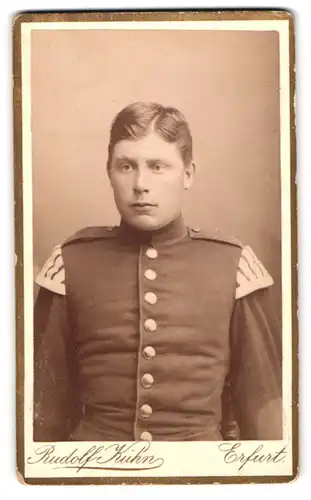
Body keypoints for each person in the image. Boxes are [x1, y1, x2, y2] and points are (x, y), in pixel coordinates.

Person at [33, 101, 282, 442]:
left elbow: (264, 412)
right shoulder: (71, 264)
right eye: (126, 166)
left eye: (157, 166)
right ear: (109, 172)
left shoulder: (234, 267)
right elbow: (43, 411)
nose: (140, 183)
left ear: (188, 174)